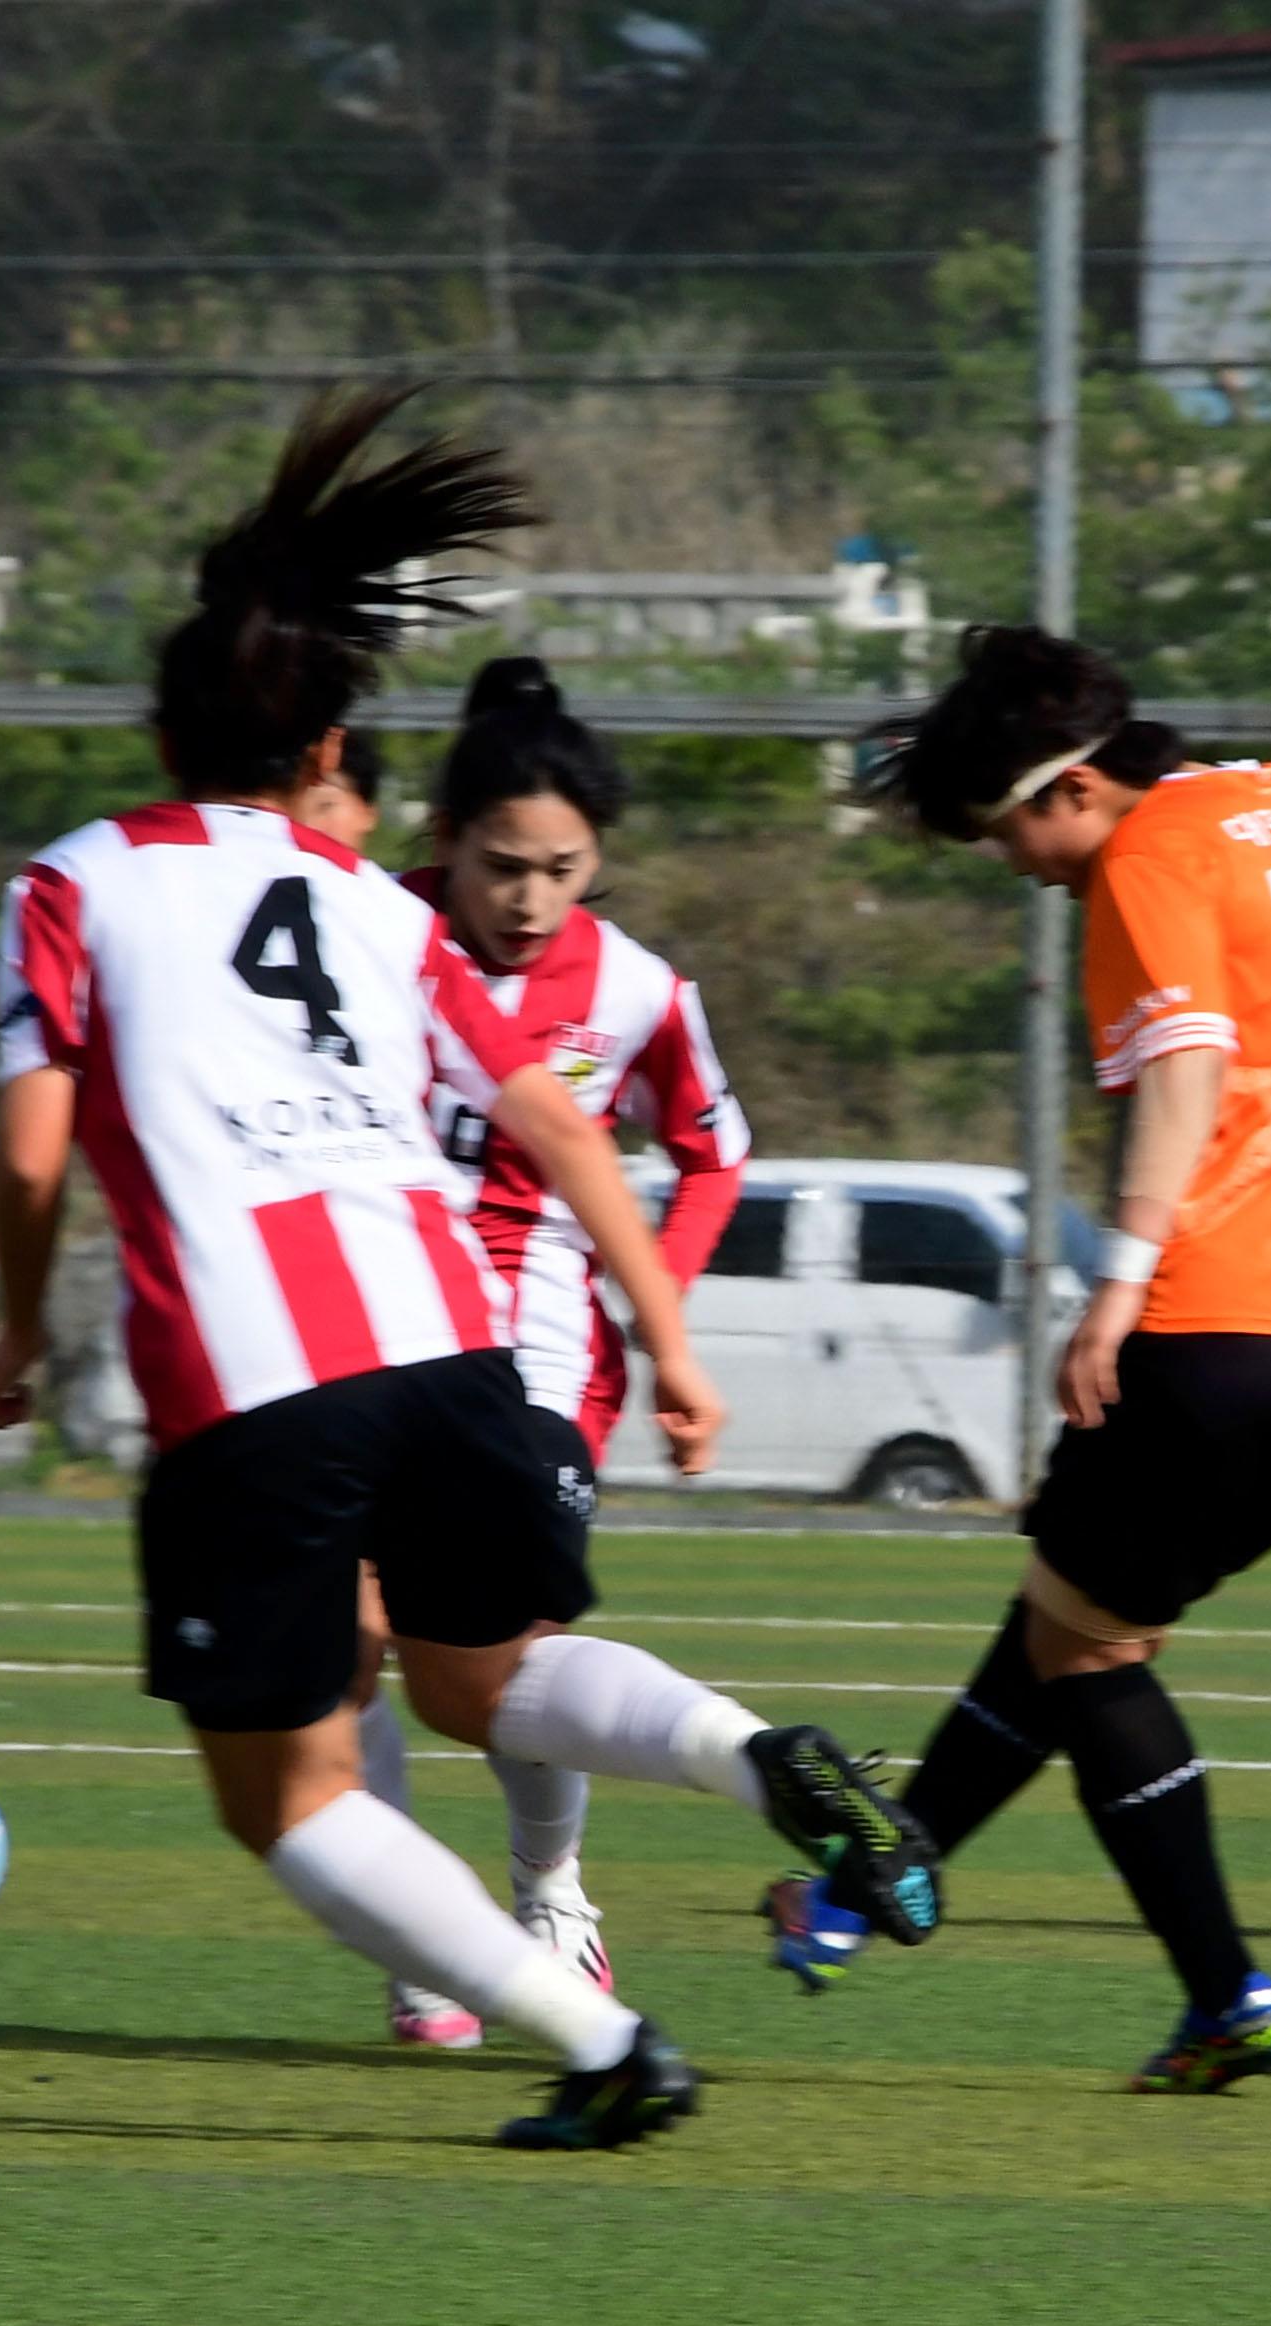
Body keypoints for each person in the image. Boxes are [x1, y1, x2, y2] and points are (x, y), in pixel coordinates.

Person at [0, 388, 935, 2150]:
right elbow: (568, 1133)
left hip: (256, 1387)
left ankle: (600, 2040)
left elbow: (33, 1149)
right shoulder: (374, 904)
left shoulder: (72, 881)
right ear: (321, 744)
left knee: (286, 1790)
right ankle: (758, 1756)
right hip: (456, 1353)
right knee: (485, 1677)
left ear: (163, 727)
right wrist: (671, 1339)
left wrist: (18, 1325)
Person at [768, 623, 1271, 2094]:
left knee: (1093, 1646)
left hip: (1228, 1311)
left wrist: (1119, 1286)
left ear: (1068, 787)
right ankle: (857, 1895)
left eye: (1006, 834)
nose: (1018, 867)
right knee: (1078, 1612)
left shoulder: (1145, 855)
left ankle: (1227, 1992)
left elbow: (1190, 1069)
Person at [357, 656, 753, 2052]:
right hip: (357, 1339)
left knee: (501, 1674)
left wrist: (663, 1319)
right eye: (500, 864)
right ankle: (414, 1939)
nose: (528, 899)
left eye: (562, 868)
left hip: (536, 1367)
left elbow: (714, 1149)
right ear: (444, 842)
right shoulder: (367, 940)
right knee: (345, 1643)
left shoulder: (636, 991)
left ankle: (551, 1892)